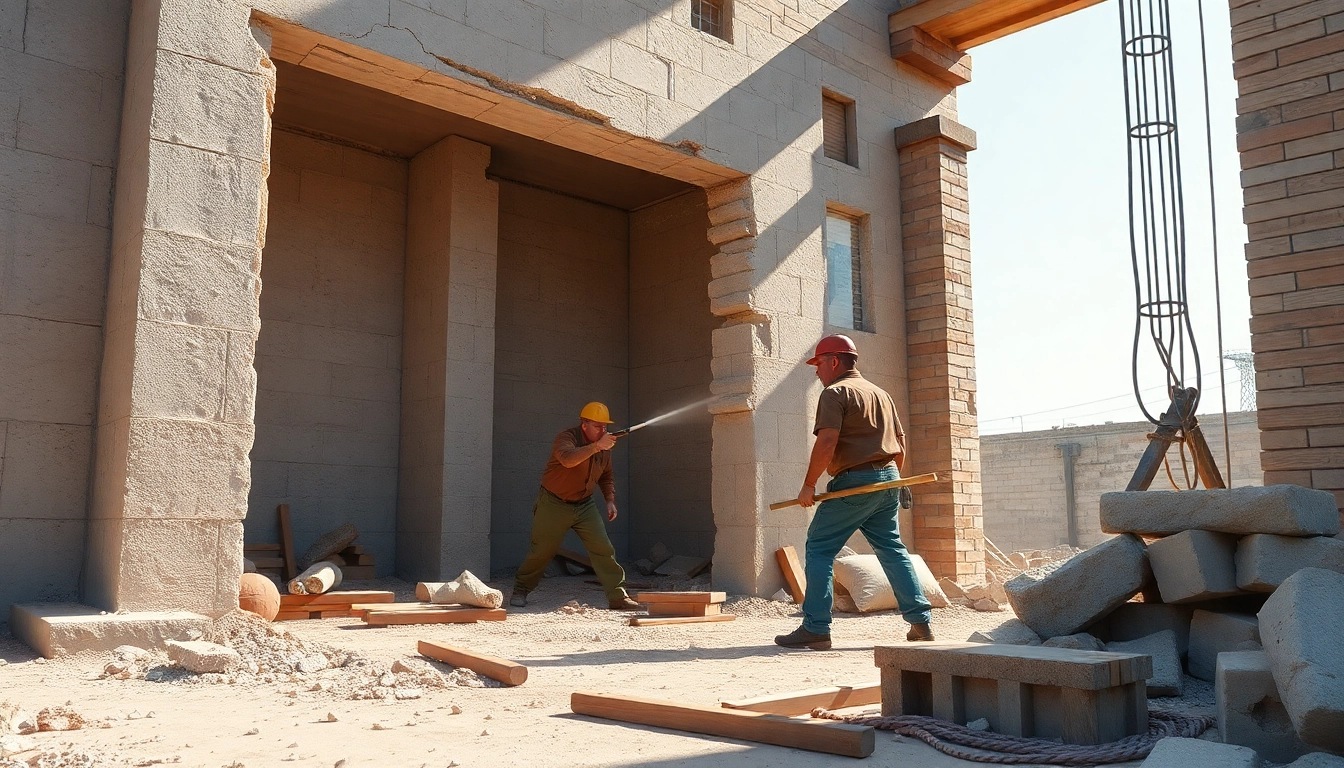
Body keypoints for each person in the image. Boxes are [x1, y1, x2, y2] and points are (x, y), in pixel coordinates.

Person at [775, 334, 934, 650]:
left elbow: (827, 442)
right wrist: (893, 481)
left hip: (854, 481)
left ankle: (816, 628)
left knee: (820, 547)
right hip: (888, 480)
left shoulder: (835, 393)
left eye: (818, 364)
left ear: (834, 361)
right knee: (892, 548)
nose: (816, 372)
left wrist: (809, 485)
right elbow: (899, 447)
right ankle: (921, 623)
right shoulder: (882, 394)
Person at [510, 402, 641, 610]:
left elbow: (606, 476)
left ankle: (617, 597)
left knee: (602, 548)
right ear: (584, 425)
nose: (603, 430)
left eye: (605, 426)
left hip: (584, 504)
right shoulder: (566, 438)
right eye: (598, 426)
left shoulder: (604, 447)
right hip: (553, 502)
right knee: (541, 551)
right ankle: (521, 589)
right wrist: (597, 446)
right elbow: (568, 460)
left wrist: (609, 500)